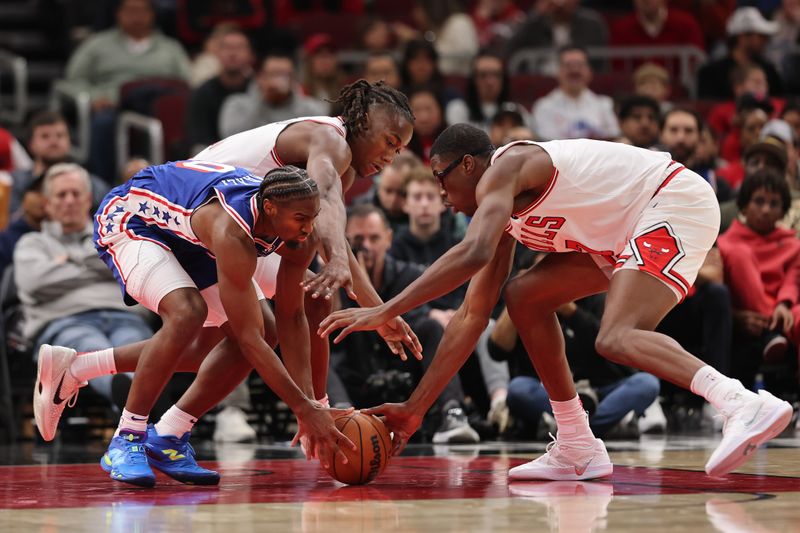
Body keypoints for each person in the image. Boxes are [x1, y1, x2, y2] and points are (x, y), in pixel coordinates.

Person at [319, 123, 794, 481]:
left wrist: (385, 309)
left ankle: (739, 402)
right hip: (622, 231)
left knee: (616, 336)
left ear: (468, 164)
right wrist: (416, 406)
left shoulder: (506, 167)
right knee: (524, 297)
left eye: (441, 179)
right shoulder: (500, 215)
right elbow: (470, 316)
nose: (442, 196)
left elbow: (472, 251)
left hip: (670, 200)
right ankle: (577, 444)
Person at [37, 80, 423, 463]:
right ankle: (138, 430)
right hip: (193, 214)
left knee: (229, 339)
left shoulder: (338, 171)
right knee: (261, 316)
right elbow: (324, 209)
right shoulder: (331, 140)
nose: (392, 156)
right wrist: (308, 406)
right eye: (390, 142)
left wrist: (380, 313)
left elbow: (327, 231)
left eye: (401, 149)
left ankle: (122, 398)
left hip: (232, 225)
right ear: (364, 123)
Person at [33, 161, 355, 487]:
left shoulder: (299, 225)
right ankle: (127, 437)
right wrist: (302, 408)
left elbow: (292, 316)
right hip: (132, 218)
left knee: (265, 331)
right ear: (269, 208)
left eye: (313, 218)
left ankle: (166, 433)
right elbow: (248, 339)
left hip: (188, 231)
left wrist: (314, 404)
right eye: (301, 219)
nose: (307, 228)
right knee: (187, 313)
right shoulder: (231, 231)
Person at [218, 53, 327, 138]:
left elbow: (320, 133)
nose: (277, 81)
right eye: (273, 74)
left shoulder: (310, 108)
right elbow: (230, 138)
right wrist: (263, 100)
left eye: (284, 75)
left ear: (293, 79)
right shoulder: (237, 104)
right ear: (260, 77)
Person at [185, 24, 255, 154]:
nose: (233, 53)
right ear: (217, 53)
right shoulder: (202, 93)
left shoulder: (259, 91)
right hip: (215, 160)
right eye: (227, 48)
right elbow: (198, 141)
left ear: (250, 54)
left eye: (239, 48)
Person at [530, 46, 619, 141]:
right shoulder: (544, 107)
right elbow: (549, 145)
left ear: (589, 71)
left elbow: (614, 139)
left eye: (580, 65)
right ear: (558, 71)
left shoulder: (605, 104)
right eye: (568, 65)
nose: (575, 71)